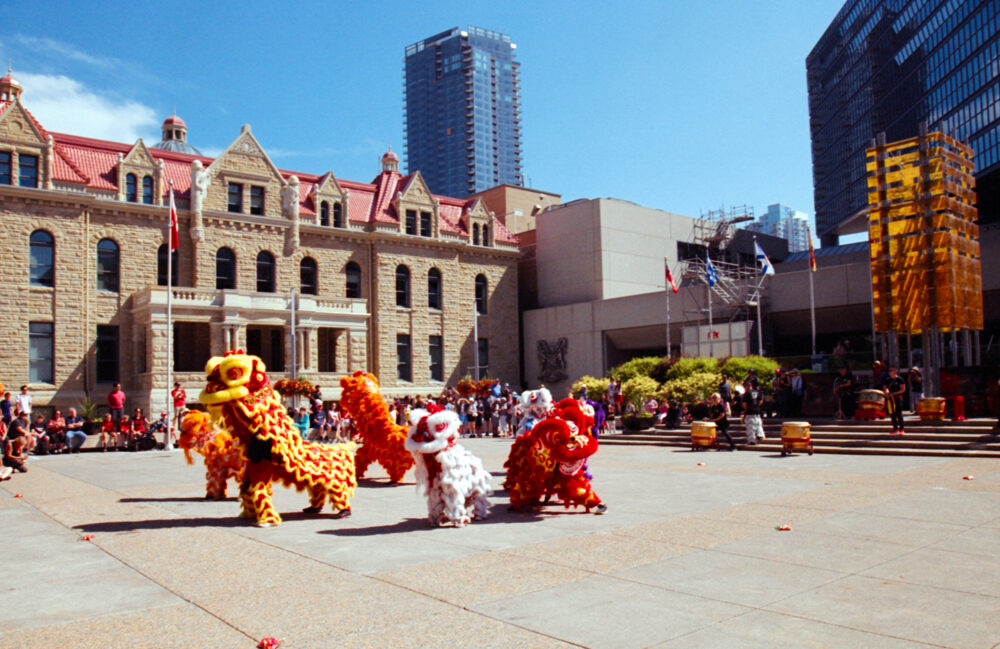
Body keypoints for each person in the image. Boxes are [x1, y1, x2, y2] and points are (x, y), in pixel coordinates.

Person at [882, 366, 907, 435]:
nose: (890, 372)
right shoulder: (888, 380)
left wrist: (894, 393)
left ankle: (901, 429)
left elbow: (903, 389)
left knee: (899, 413)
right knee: (892, 414)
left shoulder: (900, 379)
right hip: (890, 399)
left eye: (891, 370)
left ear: (895, 371)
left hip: (897, 398)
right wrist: (886, 391)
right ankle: (895, 428)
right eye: (889, 370)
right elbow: (885, 388)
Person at [743, 380, 765, 445]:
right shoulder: (758, 392)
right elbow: (761, 401)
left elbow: (744, 404)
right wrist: (756, 406)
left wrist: (746, 408)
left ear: (747, 386)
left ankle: (751, 440)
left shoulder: (747, 393)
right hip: (757, 410)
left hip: (750, 410)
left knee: (750, 425)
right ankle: (760, 434)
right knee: (758, 423)